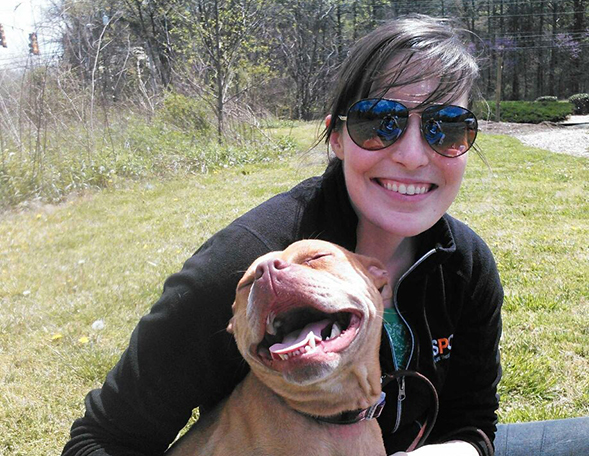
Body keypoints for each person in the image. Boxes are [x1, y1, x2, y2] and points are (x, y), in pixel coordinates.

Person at [62, 15, 501, 456]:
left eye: (445, 126)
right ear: (337, 137)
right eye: (379, 122)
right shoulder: (246, 266)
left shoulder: (465, 264)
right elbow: (98, 442)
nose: (410, 155)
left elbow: (472, 420)